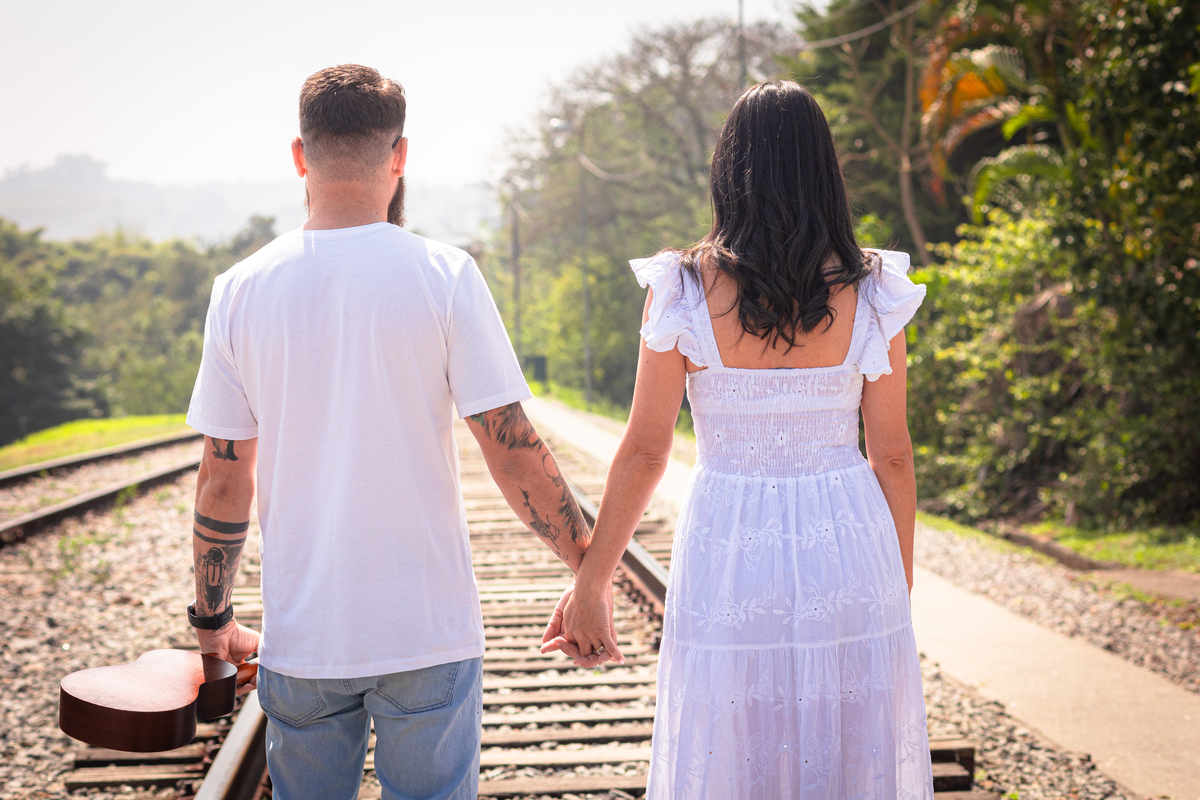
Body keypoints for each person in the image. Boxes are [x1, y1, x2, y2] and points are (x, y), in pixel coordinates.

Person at [184, 64, 593, 800]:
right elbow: (512, 449)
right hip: (426, 635)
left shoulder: (241, 289)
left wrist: (213, 619)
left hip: (305, 643)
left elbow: (223, 475)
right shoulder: (444, 274)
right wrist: (588, 568)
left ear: (300, 156)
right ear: (399, 155)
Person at [543, 81, 935, 797]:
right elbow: (893, 455)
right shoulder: (876, 289)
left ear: (730, 170)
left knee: (734, 743)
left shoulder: (684, 289)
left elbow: (645, 450)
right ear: (825, 170)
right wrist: (896, 579)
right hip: (848, 541)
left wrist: (592, 579)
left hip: (730, 540)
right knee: (846, 752)